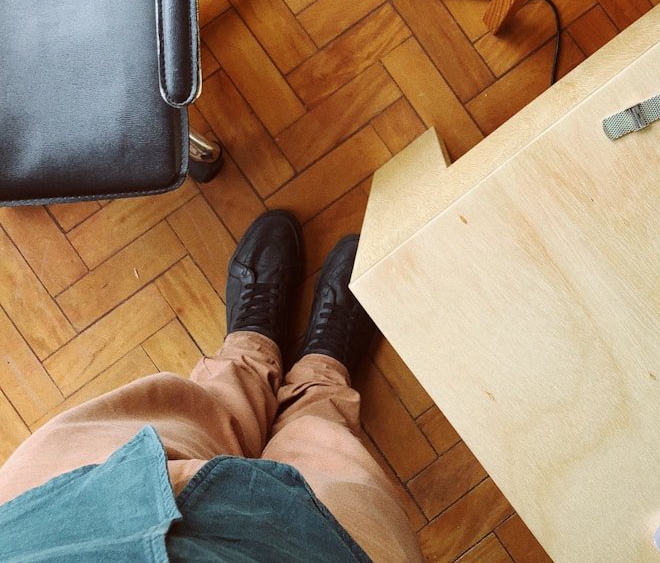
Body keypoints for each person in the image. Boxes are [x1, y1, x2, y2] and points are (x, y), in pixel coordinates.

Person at [0, 211, 425, 562]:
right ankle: (321, 378)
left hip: (58, 527)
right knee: (327, 461)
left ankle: (251, 356)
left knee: (193, 416)